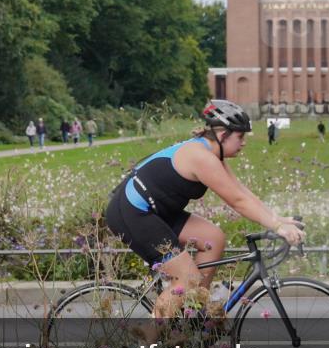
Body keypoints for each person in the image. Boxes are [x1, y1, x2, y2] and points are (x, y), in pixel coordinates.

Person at [104, 100, 304, 320]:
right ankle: (148, 347)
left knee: (214, 238)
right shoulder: (201, 157)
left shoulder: (211, 153)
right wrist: (277, 227)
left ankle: (194, 316)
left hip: (158, 211)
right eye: (240, 136)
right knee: (188, 278)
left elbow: (242, 192)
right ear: (223, 134)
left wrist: (279, 219)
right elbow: (237, 201)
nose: (244, 142)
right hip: (132, 213)